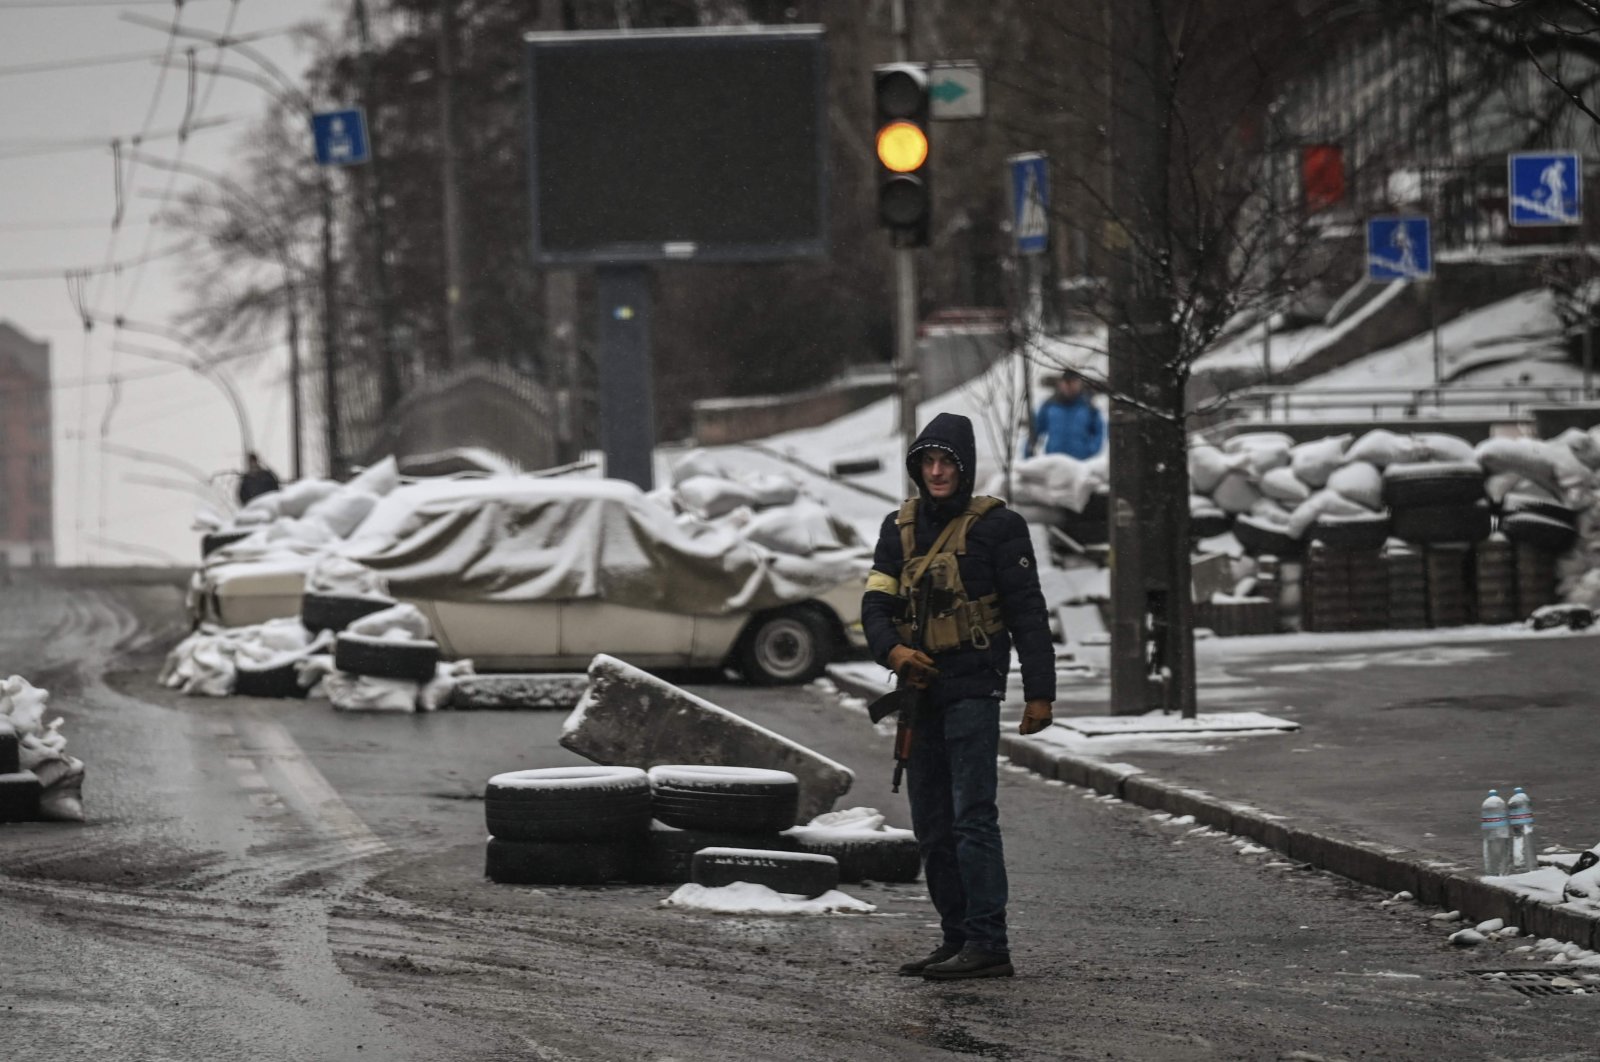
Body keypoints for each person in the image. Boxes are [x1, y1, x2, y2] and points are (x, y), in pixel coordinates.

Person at [862, 412, 1056, 981]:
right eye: (929, 462)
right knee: (932, 826)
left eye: (948, 462)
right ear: (918, 467)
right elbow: (875, 603)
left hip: (974, 686)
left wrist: (1039, 693)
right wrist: (892, 653)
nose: (939, 471)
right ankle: (955, 939)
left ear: (964, 467)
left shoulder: (1001, 527)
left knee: (972, 819)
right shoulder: (897, 528)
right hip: (919, 692)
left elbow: (1027, 613)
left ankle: (988, 943)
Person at [1024, 370, 1104, 460]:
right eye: (1066, 383)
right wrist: (1028, 451)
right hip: (1054, 461)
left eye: (1073, 382)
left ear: (1080, 384)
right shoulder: (1049, 405)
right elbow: (1035, 429)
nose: (1069, 386)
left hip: (1080, 463)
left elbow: (1099, 432)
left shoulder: (1089, 407)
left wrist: (1091, 450)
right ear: (1060, 384)